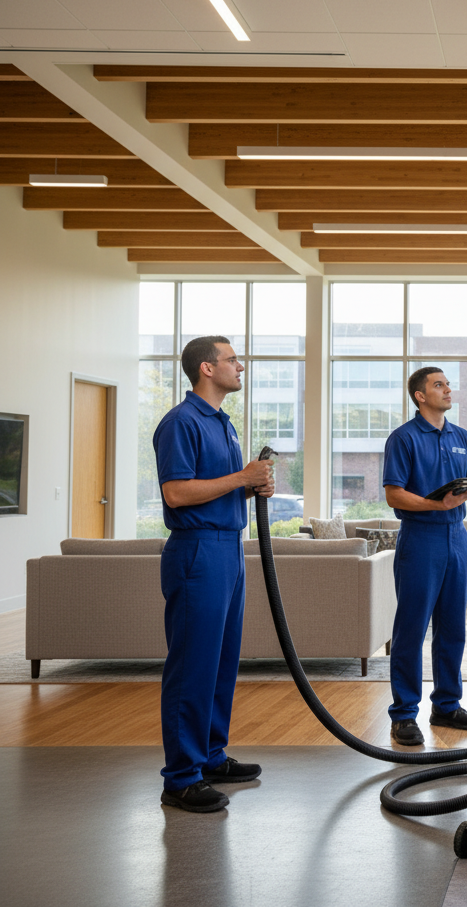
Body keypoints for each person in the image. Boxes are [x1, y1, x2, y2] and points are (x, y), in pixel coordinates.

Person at [153, 335, 275, 812]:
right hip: (197, 551)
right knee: (193, 666)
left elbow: (215, 489)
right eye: (231, 359)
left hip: (229, 546)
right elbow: (178, 494)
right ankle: (180, 777)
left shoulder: (222, 424)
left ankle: (210, 756)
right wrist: (241, 478)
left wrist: (250, 488)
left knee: (223, 662)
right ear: (206, 368)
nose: (239, 366)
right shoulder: (181, 422)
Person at [382, 367, 467, 746]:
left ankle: (447, 705)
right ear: (420, 396)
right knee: (412, 629)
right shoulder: (403, 438)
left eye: (448, 384)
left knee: (452, 627)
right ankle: (404, 714)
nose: (448, 389)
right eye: (439, 385)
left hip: (456, 538)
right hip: (421, 538)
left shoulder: (460, 436)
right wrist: (436, 506)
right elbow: (393, 494)